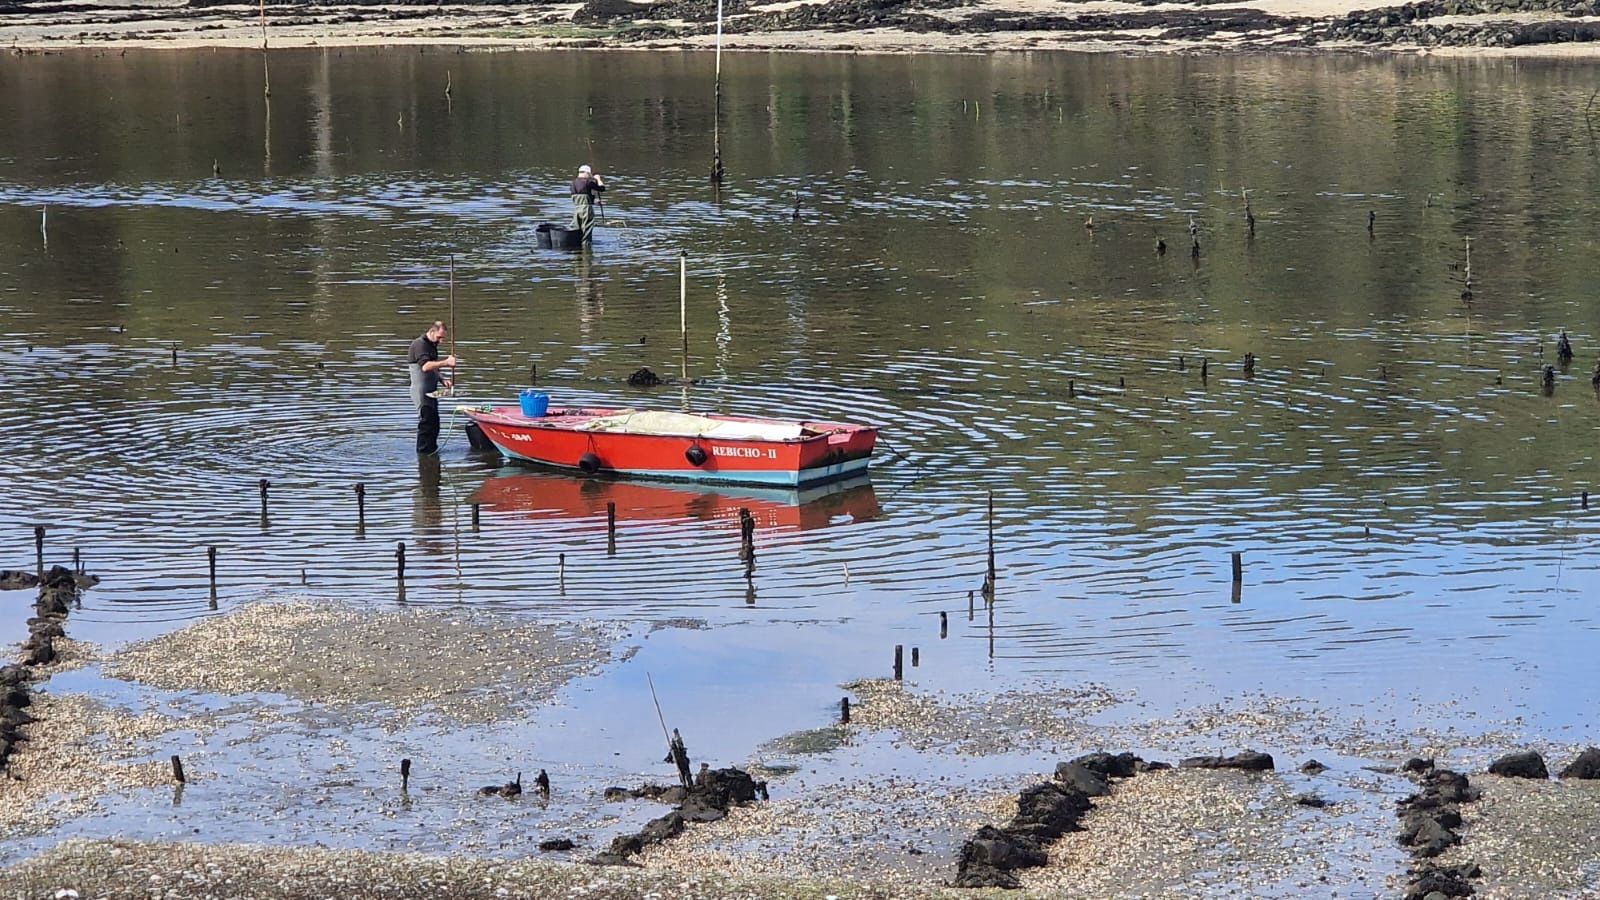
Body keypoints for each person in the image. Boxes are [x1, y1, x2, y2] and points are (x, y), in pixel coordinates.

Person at [408, 321, 457, 455]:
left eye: (443, 338)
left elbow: (433, 367)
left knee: (435, 423)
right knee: (426, 423)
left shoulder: (431, 345)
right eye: (439, 337)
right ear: (432, 331)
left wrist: (442, 379)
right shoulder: (420, 344)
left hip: (432, 391)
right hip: (421, 391)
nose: (440, 341)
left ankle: (432, 449)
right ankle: (423, 452)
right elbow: (425, 366)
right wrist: (446, 362)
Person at [570, 164, 606, 245]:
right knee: (586, 233)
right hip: (587, 211)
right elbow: (602, 188)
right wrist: (598, 179)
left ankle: (576, 250)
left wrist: (595, 202)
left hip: (577, 211)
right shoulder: (588, 182)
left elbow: (580, 199)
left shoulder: (573, 183)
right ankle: (587, 252)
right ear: (587, 173)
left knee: (576, 231)